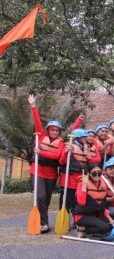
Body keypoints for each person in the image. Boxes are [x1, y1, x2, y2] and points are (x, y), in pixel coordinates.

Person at [28, 94, 65, 233]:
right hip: (37, 171)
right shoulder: (41, 136)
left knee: (46, 199)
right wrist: (33, 105)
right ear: (48, 130)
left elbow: (56, 156)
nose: (54, 132)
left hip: (51, 174)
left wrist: (40, 152)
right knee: (40, 196)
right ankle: (44, 224)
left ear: (59, 132)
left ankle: (42, 220)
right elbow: (37, 121)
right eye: (52, 129)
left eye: (57, 130)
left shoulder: (60, 142)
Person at [74, 165, 114, 240]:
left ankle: (94, 228)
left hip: (97, 215)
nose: (97, 175)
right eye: (94, 173)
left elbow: (103, 206)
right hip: (83, 216)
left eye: (99, 173)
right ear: (89, 174)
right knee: (105, 228)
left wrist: (109, 218)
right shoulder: (82, 184)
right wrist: (84, 184)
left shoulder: (103, 185)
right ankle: (83, 229)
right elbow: (81, 202)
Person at [59, 129, 90, 214]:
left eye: (85, 137)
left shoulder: (86, 148)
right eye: (83, 137)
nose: (85, 139)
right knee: (66, 201)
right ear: (77, 138)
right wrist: (66, 152)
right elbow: (61, 162)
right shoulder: (69, 146)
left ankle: (77, 221)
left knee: (78, 201)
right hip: (69, 178)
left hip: (81, 178)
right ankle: (64, 221)